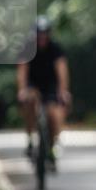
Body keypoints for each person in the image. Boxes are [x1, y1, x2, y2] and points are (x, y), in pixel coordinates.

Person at [17, 16, 71, 167]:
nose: (42, 37)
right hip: (33, 85)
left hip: (50, 85)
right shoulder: (27, 49)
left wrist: (63, 91)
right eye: (39, 34)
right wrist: (22, 90)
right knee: (29, 103)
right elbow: (22, 71)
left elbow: (62, 71)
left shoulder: (55, 49)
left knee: (54, 113)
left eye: (44, 33)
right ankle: (30, 139)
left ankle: (53, 144)